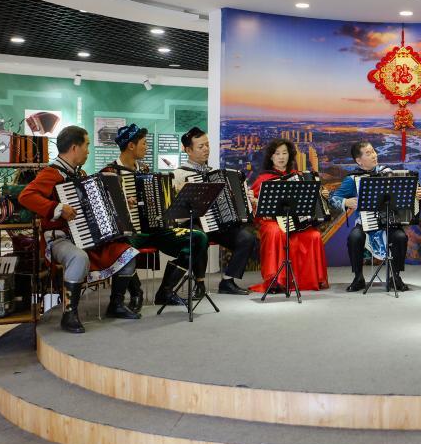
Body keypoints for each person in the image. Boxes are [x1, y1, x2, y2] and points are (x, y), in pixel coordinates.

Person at [19, 125, 140, 333]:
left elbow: (95, 202)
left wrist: (120, 201)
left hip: (87, 237)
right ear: (74, 147)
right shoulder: (51, 173)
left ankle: (116, 304)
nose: (88, 151)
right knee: (79, 257)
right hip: (59, 240)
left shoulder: (80, 174)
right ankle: (69, 314)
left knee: (127, 253)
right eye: (87, 145)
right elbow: (26, 196)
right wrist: (57, 208)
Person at [101, 123, 209, 307]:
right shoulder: (110, 173)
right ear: (131, 146)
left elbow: (156, 199)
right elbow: (103, 209)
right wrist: (123, 202)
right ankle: (135, 293)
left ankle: (166, 291)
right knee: (123, 247)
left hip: (154, 229)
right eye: (144, 143)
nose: (146, 147)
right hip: (128, 233)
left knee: (198, 238)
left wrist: (173, 195)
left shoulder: (144, 171)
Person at [329, 141, 421, 292]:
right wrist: (345, 201)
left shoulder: (388, 172)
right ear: (359, 160)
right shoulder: (353, 179)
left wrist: (416, 194)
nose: (374, 155)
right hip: (365, 223)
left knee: (400, 237)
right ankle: (358, 277)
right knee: (354, 237)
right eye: (368, 153)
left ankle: (395, 276)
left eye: (373, 151)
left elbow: (404, 194)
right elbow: (333, 199)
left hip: (390, 222)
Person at [172, 126, 256, 295]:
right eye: (201, 146)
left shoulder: (213, 173)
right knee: (199, 237)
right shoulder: (178, 175)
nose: (206, 149)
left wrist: (244, 197)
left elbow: (227, 200)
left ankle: (227, 281)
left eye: (207, 145)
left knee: (247, 237)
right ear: (188, 150)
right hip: (193, 223)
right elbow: (176, 211)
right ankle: (199, 283)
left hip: (217, 224)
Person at [248, 138, 329, 293]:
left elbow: (308, 202)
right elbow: (255, 210)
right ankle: (276, 281)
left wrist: (322, 195)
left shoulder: (297, 176)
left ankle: (310, 280)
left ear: (290, 155)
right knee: (275, 232)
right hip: (271, 222)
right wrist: (254, 202)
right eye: (277, 153)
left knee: (314, 235)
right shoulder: (263, 178)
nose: (281, 157)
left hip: (295, 222)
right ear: (271, 157)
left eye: (284, 153)